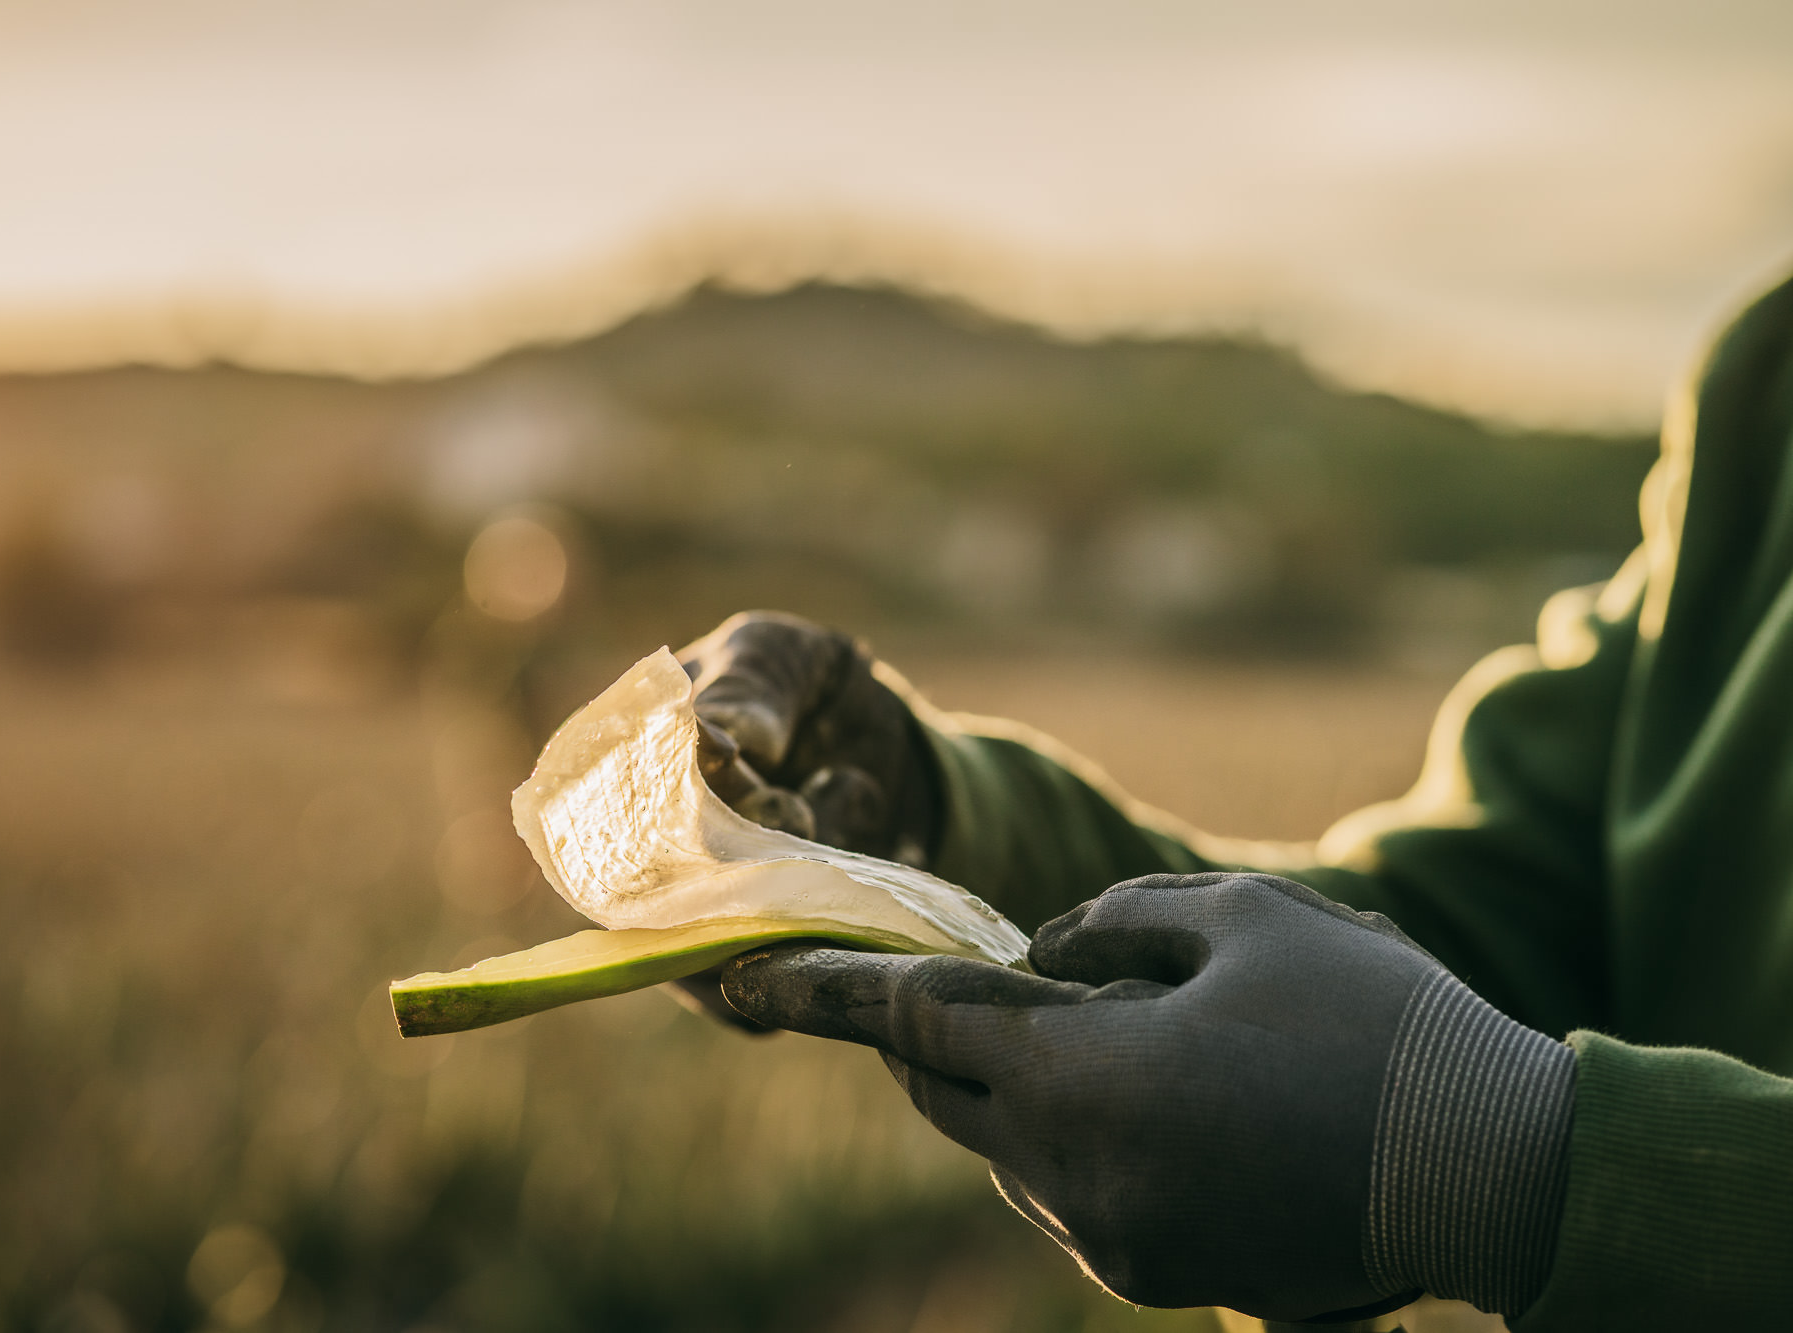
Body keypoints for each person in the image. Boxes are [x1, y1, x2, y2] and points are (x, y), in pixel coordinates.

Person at [674, 270, 1793, 1330]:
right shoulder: (1770, 387)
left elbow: (1451, 1072)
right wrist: (925, 832)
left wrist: (1511, 1164)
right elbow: (1489, 928)